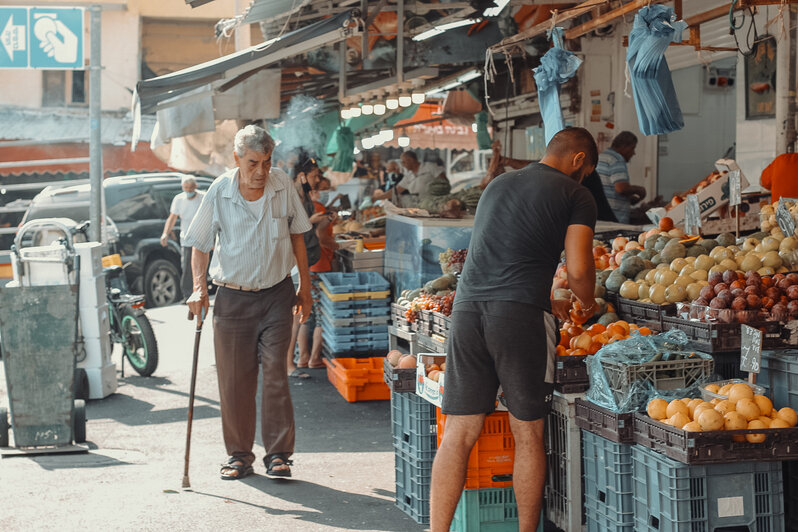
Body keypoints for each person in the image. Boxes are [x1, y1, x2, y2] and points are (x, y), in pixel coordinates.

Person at [429, 127, 599, 532]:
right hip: (520, 318)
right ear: (578, 160)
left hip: (468, 311)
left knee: (458, 431)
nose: (585, 178)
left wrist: (543, 295)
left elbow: (503, 252)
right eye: (587, 170)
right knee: (527, 432)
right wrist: (587, 302)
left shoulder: (498, 184)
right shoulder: (577, 195)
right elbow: (578, 269)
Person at [184, 125, 313, 480]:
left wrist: (306, 287)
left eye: (267, 162)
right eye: (253, 163)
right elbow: (200, 244)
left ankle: (278, 454)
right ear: (237, 158)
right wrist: (199, 287)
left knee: (275, 375)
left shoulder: (281, 184)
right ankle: (239, 455)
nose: (261, 171)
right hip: (232, 300)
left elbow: (298, 236)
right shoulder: (219, 191)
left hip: (276, 294)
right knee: (235, 380)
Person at [482, 140, 616, 221]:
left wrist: (507, 161)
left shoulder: (579, 187)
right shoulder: (550, 177)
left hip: (604, 224)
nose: (581, 178)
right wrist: (507, 161)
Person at [285, 154, 331, 379]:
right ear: (301, 176)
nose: (317, 180)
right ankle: (288, 364)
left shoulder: (304, 196)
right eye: (314, 176)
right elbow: (291, 230)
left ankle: (290, 362)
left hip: (304, 260)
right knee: (293, 316)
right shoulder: (291, 196)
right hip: (293, 263)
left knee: (296, 314)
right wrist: (312, 222)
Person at [160, 175, 205, 301]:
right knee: (187, 266)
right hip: (187, 238)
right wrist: (165, 233)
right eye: (186, 188)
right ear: (182, 187)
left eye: (191, 188)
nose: (189, 191)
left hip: (202, 237)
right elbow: (172, 218)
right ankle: (188, 295)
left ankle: (202, 291)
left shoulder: (203, 197)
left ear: (195, 186)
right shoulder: (179, 199)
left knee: (202, 267)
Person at [596, 131, 646, 224]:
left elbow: (608, 189)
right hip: (614, 218)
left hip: (601, 215)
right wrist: (639, 190)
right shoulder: (616, 159)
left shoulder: (601, 157)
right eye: (632, 148)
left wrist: (628, 199)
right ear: (624, 147)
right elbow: (621, 188)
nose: (633, 153)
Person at [372, 151, 448, 201]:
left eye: (404, 162)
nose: (403, 165)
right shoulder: (408, 176)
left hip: (434, 202)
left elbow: (445, 183)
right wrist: (378, 197)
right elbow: (396, 191)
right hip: (418, 205)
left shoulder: (430, 167)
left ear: (411, 160)